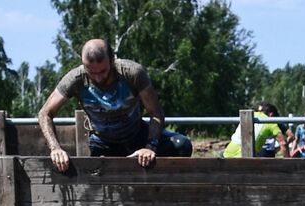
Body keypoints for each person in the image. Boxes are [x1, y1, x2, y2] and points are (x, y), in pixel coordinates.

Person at [39, 39, 192, 172]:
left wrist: (150, 146)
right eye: (91, 72)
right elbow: (45, 113)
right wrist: (55, 149)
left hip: (137, 135)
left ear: (112, 60)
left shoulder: (132, 73)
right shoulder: (75, 79)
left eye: (103, 71)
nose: (98, 78)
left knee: (182, 145)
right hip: (104, 143)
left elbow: (155, 112)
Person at [224, 102, 289, 158]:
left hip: (228, 154)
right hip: (246, 158)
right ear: (271, 114)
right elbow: (283, 143)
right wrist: (289, 162)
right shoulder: (270, 122)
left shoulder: (251, 115)